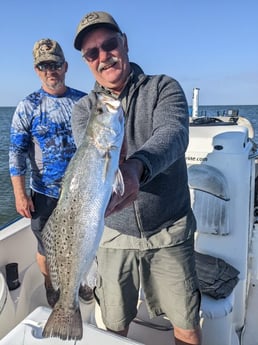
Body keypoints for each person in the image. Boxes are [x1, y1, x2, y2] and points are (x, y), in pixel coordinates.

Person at [72, 11, 201, 345]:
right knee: (113, 324)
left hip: (169, 229)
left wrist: (137, 166)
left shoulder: (163, 87)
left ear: (124, 43)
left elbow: (173, 133)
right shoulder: (84, 109)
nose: (103, 57)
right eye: (91, 53)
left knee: (186, 324)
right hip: (114, 235)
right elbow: (88, 159)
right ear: (86, 61)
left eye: (109, 44)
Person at [9, 38, 93, 307]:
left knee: (79, 244)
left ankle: (79, 282)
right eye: (43, 66)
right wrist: (20, 194)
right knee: (47, 246)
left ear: (65, 66)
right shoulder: (28, 106)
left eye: (54, 64)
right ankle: (51, 286)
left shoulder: (84, 102)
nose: (50, 71)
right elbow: (16, 153)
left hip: (82, 193)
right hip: (45, 193)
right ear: (36, 70)